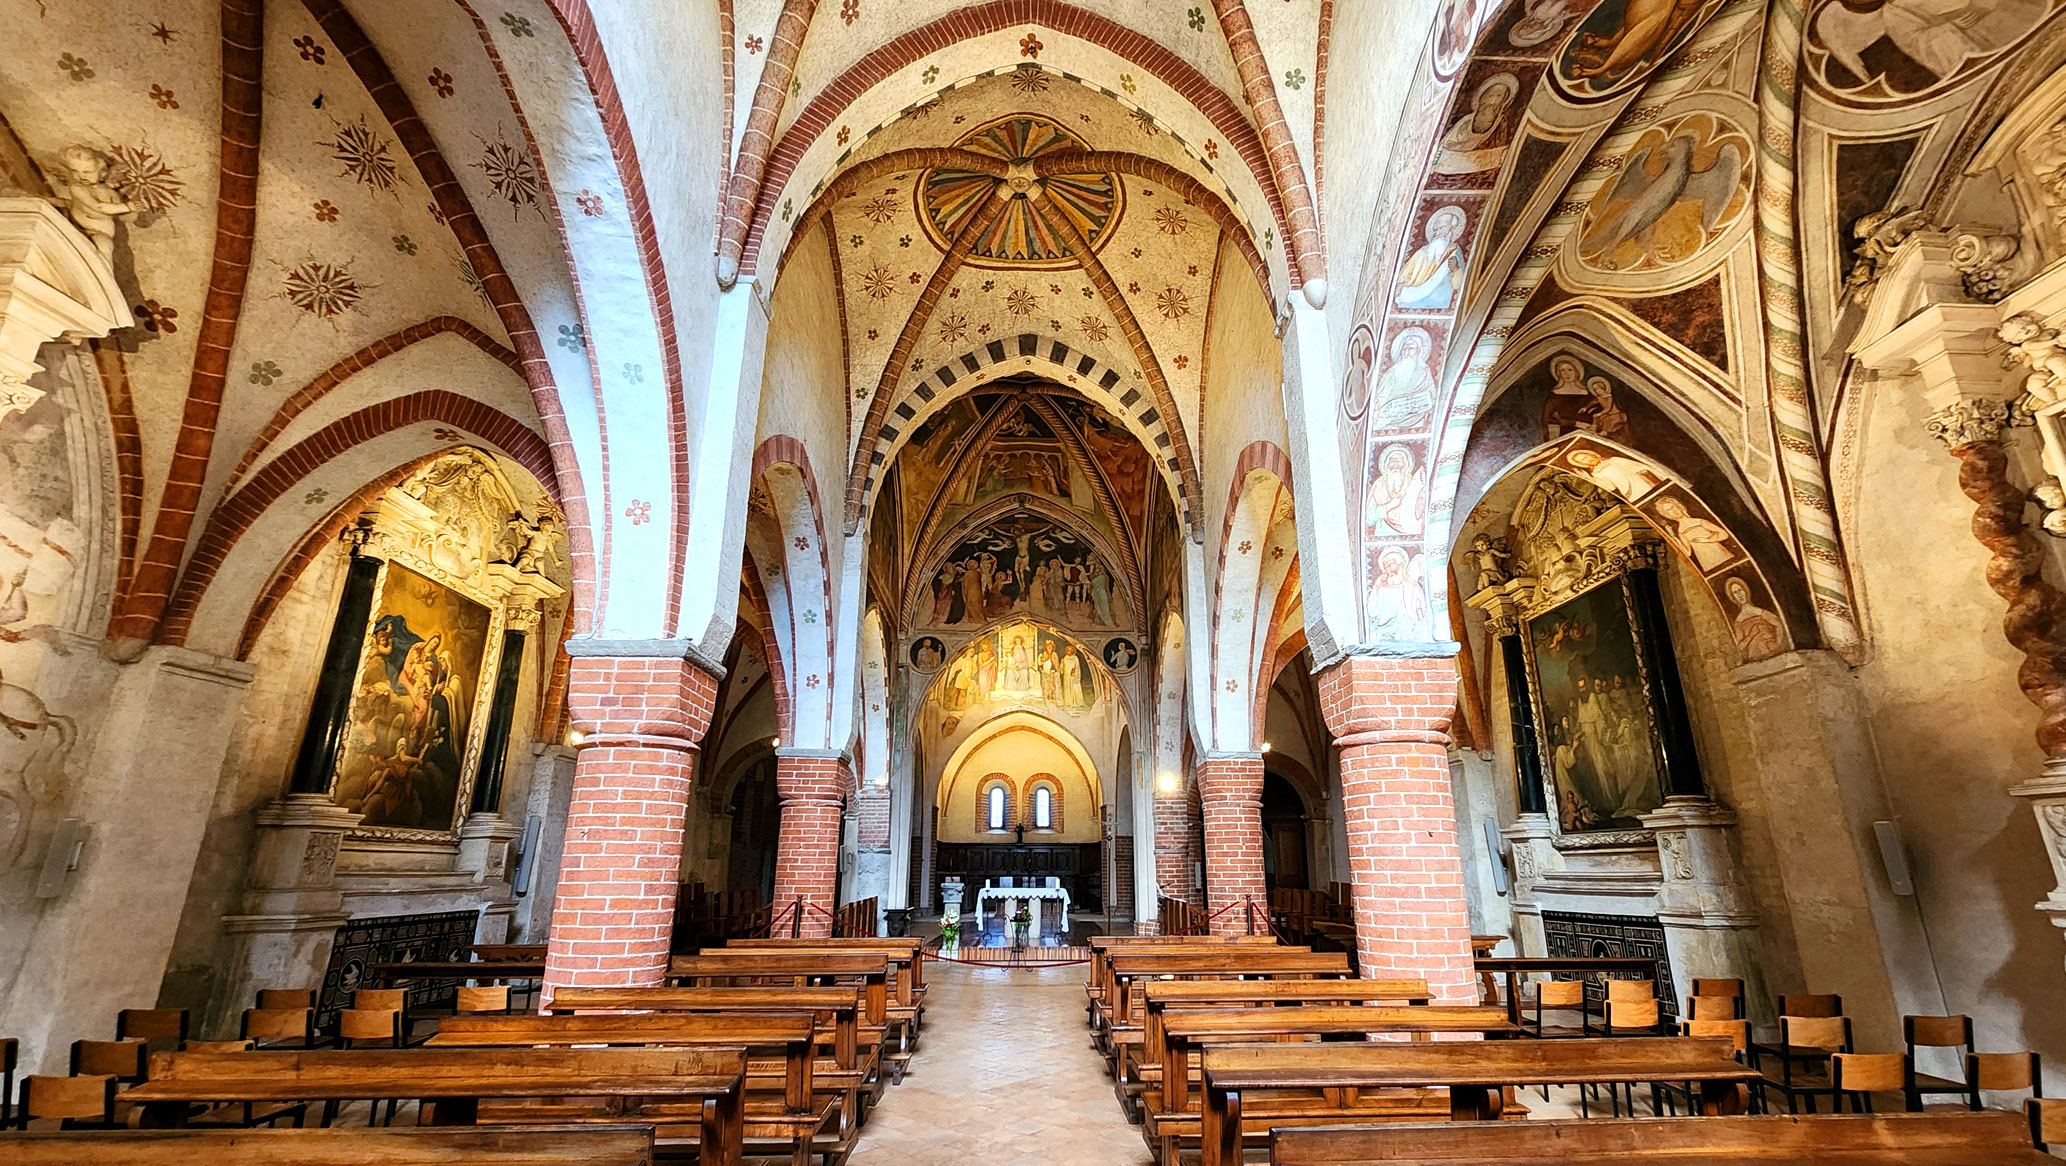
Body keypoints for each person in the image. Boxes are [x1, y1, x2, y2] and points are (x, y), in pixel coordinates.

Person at [1433, 74, 1519, 175]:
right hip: (1454, 156)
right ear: (1482, 99)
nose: (1493, 100)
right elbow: (1447, 144)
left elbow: (1500, 146)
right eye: (1491, 95)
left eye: (1499, 96)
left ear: (1504, 101)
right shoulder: (1467, 120)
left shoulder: (1501, 122)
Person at [1396, 206, 1468, 310]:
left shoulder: (1454, 252)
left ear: (1451, 228)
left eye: (1442, 227)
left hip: (1441, 302)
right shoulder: (1422, 252)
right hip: (1410, 298)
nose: (1438, 233)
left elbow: (1459, 286)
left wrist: (1456, 269)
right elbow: (1403, 277)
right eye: (1436, 229)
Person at [1653, 495, 1734, 571]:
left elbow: (1724, 534)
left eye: (1673, 507)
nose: (1674, 511)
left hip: (1720, 554)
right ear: (1667, 515)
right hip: (1706, 562)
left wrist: (1707, 539)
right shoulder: (1681, 531)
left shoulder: (1698, 521)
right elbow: (1688, 553)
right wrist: (1676, 542)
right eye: (1668, 510)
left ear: (1678, 506)